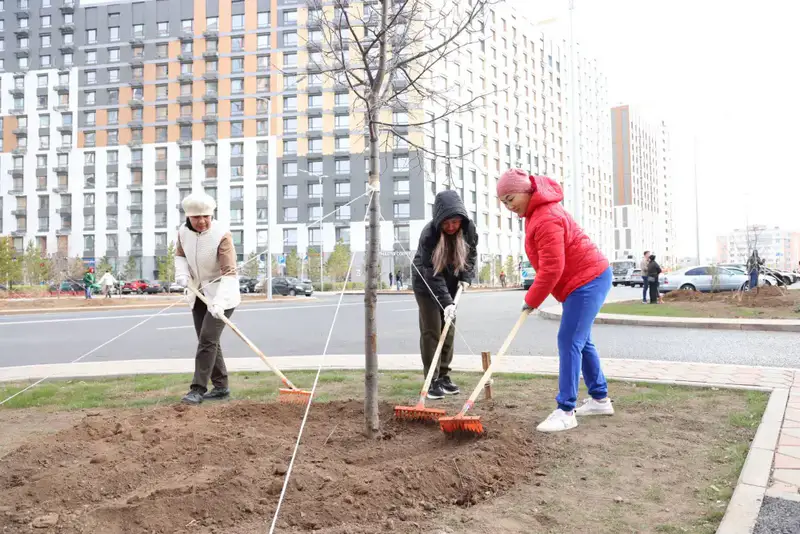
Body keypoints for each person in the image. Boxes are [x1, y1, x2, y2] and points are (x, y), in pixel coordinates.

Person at [497, 169, 613, 432]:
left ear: (526, 191)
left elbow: (551, 268)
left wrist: (531, 300)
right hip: (581, 280)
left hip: (588, 279)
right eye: (504, 201)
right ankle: (599, 398)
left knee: (569, 339)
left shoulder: (546, 216)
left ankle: (565, 410)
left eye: (511, 198)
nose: (509, 206)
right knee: (581, 340)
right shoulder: (536, 212)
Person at [174, 192, 241, 405]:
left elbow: (229, 273)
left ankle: (197, 389)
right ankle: (221, 387)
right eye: (197, 217)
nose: (202, 221)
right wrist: (182, 274)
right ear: (188, 217)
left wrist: (220, 302)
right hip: (198, 293)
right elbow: (180, 255)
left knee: (207, 340)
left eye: (206, 216)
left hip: (223, 295)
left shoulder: (222, 235)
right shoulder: (183, 232)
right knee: (208, 340)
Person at [412, 190, 478, 399]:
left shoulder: (468, 230)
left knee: (448, 329)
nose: (451, 227)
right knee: (432, 329)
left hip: (451, 282)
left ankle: (443, 376)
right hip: (426, 283)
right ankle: (431, 380)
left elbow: (471, 254)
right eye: (446, 223)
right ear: (438, 221)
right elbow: (431, 271)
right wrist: (446, 302)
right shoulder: (429, 235)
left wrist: (466, 276)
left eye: (455, 222)